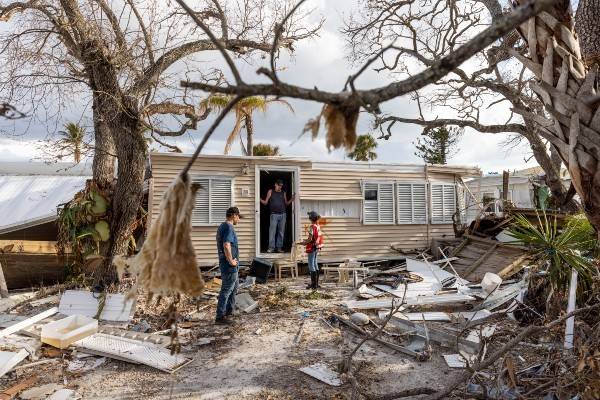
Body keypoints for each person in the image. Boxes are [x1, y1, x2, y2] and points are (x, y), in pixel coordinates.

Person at [215, 206, 242, 325]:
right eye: (238, 217)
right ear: (233, 215)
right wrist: (231, 261)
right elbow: (226, 245)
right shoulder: (228, 227)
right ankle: (220, 316)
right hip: (229, 265)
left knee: (234, 287)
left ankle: (229, 311)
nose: (239, 220)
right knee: (226, 290)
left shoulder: (222, 226)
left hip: (229, 264)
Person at [260, 179, 294, 253]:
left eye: (281, 186)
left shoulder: (283, 192)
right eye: (279, 185)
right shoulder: (270, 191)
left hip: (283, 214)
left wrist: (292, 199)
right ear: (275, 184)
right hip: (274, 214)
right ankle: (271, 248)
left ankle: (279, 248)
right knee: (272, 231)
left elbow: (286, 203)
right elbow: (265, 202)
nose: (280, 187)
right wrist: (258, 199)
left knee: (281, 232)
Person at [301, 211, 323, 290]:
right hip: (317, 247)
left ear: (311, 218)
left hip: (312, 247)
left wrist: (303, 243)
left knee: (311, 265)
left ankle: (313, 285)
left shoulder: (312, 227)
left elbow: (310, 239)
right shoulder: (318, 226)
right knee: (315, 264)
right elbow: (317, 237)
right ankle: (316, 284)